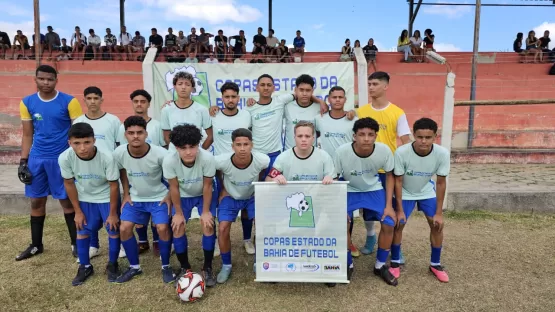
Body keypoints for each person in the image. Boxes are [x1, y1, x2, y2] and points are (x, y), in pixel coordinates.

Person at [16, 65, 83, 261]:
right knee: (36, 201)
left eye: (50, 79)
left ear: (56, 80)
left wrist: (76, 160)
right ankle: (36, 245)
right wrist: (23, 161)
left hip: (61, 160)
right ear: (35, 79)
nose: (46, 83)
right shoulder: (27, 102)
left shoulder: (70, 102)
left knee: (67, 202)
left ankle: (76, 244)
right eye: (42, 79)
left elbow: (77, 134)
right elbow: (27, 134)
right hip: (37, 160)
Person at [210, 74, 327, 179]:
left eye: (269, 85)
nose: (265, 87)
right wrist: (217, 109)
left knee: (275, 188)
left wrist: (320, 101)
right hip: (256, 155)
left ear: (273, 88)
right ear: (256, 88)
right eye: (262, 85)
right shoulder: (249, 109)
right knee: (256, 189)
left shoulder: (281, 101)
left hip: (275, 154)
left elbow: (302, 94)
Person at [265, 121, 335, 286]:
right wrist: (276, 178)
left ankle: (326, 271)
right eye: (300, 136)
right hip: (289, 205)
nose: (304, 139)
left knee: (321, 235)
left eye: (307, 136)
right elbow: (268, 179)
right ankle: (276, 268)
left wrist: (330, 179)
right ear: (294, 137)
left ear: (313, 137)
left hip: (316, 204)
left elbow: (334, 183)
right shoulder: (283, 157)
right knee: (284, 235)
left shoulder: (324, 157)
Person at [333, 118, 398, 286]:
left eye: (370, 135)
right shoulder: (341, 151)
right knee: (340, 223)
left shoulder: (384, 151)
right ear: (354, 136)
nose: (366, 138)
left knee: (389, 222)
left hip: (373, 190)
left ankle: (380, 265)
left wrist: (389, 206)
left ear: (376, 136)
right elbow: (334, 178)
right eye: (362, 134)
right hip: (348, 189)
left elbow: (390, 175)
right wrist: (337, 206)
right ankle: (348, 264)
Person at [355, 71, 411, 261]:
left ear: (386, 86)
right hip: (367, 169)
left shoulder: (397, 112)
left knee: (392, 209)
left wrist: (405, 167)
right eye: (369, 84)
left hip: (389, 171)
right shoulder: (360, 112)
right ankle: (370, 238)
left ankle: (396, 247)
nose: (371, 87)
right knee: (368, 210)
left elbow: (406, 141)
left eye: (375, 84)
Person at [58, 123, 121, 285]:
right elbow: (69, 184)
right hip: (84, 197)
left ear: (94, 140)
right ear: (69, 143)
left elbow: (114, 185)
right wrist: (77, 211)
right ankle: (85, 266)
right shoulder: (65, 157)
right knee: (82, 229)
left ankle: (113, 264)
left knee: (113, 229)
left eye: (86, 142)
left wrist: (113, 213)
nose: (82, 147)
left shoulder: (107, 157)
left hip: (106, 197)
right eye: (77, 143)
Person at [113, 116, 173, 284]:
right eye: (131, 133)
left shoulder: (161, 153)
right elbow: (122, 170)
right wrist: (126, 193)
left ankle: (166, 266)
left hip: (159, 197)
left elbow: (173, 176)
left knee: (161, 227)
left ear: (146, 133)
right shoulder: (119, 153)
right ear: (125, 135)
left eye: (140, 132)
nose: (136, 136)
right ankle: (134, 267)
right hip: (136, 199)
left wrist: (169, 196)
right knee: (124, 228)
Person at [391, 118, 450, 283]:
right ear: (414, 135)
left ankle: (435, 264)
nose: (423, 141)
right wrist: (400, 210)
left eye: (428, 137)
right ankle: (395, 262)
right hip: (404, 192)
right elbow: (398, 181)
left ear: (435, 137)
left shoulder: (442, 153)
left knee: (437, 225)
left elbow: (440, 182)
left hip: (426, 192)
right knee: (398, 224)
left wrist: (439, 212)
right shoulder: (402, 152)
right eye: (420, 137)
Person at [163, 125, 217, 286]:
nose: (188, 152)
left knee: (208, 225)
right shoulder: (169, 160)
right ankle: (185, 268)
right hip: (183, 195)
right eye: (183, 148)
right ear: (176, 147)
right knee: (177, 226)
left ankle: (207, 267)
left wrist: (206, 211)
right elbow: (174, 187)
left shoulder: (207, 158)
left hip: (203, 194)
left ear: (198, 145)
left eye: (192, 147)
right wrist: (178, 213)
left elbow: (208, 186)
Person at [215, 128, 270, 283]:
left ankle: (259, 262)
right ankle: (226, 265)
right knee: (223, 227)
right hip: (231, 197)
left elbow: (264, 171)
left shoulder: (262, 160)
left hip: (252, 196)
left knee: (262, 225)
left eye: (246, 144)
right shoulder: (221, 161)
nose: (242, 148)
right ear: (232, 146)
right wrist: (224, 188)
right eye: (238, 145)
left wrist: (257, 187)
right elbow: (216, 171)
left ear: (252, 145)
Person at [72, 86, 121, 262]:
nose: (92, 101)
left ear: (102, 99)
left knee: (112, 211)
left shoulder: (113, 120)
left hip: (108, 171)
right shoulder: (77, 121)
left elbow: (119, 145)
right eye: (89, 98)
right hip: (86, 174)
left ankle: (118, 245)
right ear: (84, 100)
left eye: (96, 98)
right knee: (89, 215)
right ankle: (93, 246)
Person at [117, 89, 164, 256]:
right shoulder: (124, 126)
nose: (139, 104)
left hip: (154, 176)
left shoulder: (157, 125)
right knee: (138, 213)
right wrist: (126, 191)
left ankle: (158, 242)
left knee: (157, 212)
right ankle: (142, 241)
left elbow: (163, 151)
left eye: (142, 101)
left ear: (148, 104)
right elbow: (121, 159)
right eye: (135, 101)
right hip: (135, 177)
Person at [212, 82, 254, 255]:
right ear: (222, 98)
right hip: (220, 170)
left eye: (233, 96)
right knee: (217, 203)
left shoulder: (246, 115)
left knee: (245, 203)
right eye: (226, 97)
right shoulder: (213, 115)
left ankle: (246, 239)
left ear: (238, 98)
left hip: (242, 166)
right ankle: (215, 240)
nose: (230, 100)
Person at [161, 71, 213, 152]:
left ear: (192, 88)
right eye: (180, 84)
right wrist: (178, 151)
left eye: (187, 84)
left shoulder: (201, 110)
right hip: (174, 154)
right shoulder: (166, 110)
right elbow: (166, 137)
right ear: (175, 86)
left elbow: (210, 136)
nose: (183, 87)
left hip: (195, 155)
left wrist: (199, 151)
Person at [314, 86, 357, 158]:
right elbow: (313, 137)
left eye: (340, 97)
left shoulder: (354, 120)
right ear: (328, 99)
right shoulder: (319, 118)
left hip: (346, 163)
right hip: (326, 163)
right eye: (334, 97)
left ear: (345, 99)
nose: (337, 100)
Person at [283, 74, 322, 150]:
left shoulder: (319, 108)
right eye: (301, 90)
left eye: (308, 90)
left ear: (312, 91)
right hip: (289, 155)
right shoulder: (286, 106)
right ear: (295, 90)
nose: (304, 93)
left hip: (310, 155)